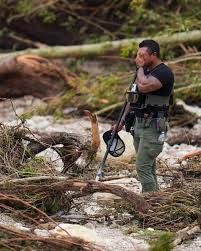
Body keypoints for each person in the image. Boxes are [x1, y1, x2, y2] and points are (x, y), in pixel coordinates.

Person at [113, 39, 174, 193]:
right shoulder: (143, 72)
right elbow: (132, 98)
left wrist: (139, 68)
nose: (138, 58)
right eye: (137, 54)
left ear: (153, 55)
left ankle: (148, 203)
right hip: (138, 124)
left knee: (142, 167)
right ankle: (156, 200)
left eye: (142, 55)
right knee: (149, 166)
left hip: (154, 126)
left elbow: (144, 86)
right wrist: (121, 121)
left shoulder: (164, 72)